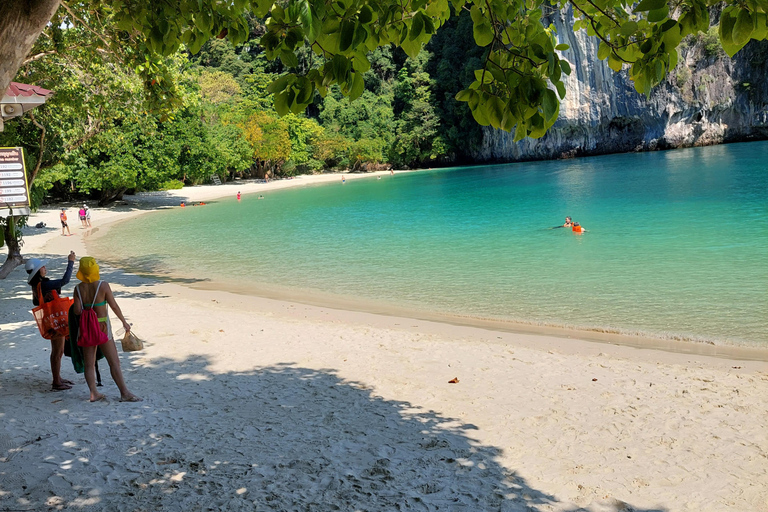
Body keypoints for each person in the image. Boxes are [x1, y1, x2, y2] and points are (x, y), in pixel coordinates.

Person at [72, 257, 141, 403]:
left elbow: (77, 311)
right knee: (114, 362)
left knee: (89, 364)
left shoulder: (78, 288)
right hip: (102, 328)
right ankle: (124, 392)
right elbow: (114, 306)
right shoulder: (102, 286)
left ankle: (93, 393)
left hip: (86, 329)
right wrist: (124, 322)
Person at [26, 252, 77, 390]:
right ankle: (56, 381)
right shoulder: (44, 285)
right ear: (38, 271)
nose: (45, 268)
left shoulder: (37, 286)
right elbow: (65, 280)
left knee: (58, 351)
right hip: (55, 322)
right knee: (57, 352)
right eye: (42, 267)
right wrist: (71, 262)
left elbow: (36, 301)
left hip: (49, 320)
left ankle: (58, 378)